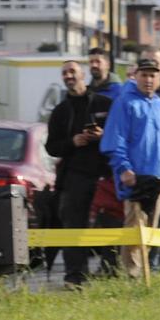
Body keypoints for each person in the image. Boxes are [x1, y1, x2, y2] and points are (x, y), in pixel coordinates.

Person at [99, 57, 160, 279]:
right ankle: (131, 276)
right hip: (136, 177)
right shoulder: (125, 102)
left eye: (153, 75)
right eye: (144, 75)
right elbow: (116, 139)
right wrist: (123, 168)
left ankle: (143, 272)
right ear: (136, 76)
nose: (149, 80)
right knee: (135, 228)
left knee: (152, 229)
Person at [43, 59, 109, 286]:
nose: (68, 76)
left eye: (72, 71)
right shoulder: (60, 111)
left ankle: (110, 273)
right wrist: (73, 141)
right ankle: (75, 277)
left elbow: (121, 136)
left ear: (82, 74)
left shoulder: (104, 103)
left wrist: (103, 137)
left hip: (105, 174)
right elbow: (51, 147)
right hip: (75, 177)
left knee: (110, 225)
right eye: (64, 73)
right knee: (73, 227)